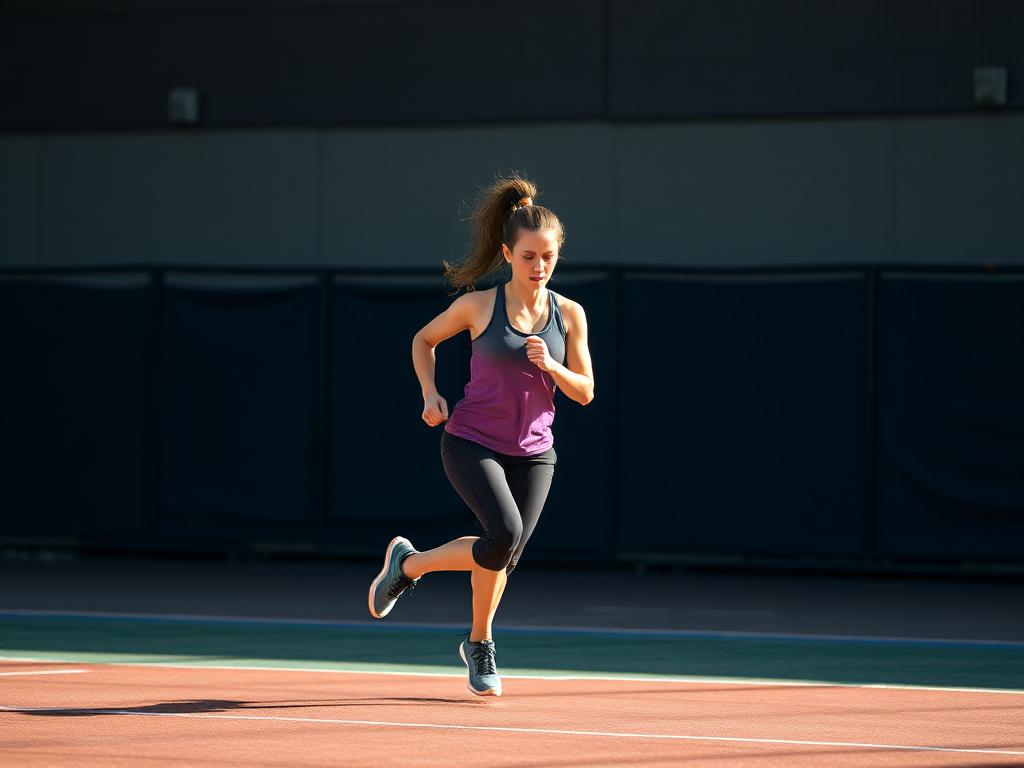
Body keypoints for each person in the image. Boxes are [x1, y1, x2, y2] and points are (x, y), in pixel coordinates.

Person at [367, 173, 595, 696]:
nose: (539, 267)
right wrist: (429, 394)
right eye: (529, 257)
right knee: (505, 536)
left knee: (502, 551)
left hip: (536, 452)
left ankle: (430, 586)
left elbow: (585, 391)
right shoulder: (479, 307)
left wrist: (553, 368)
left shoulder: (570, 315)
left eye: (549, 257)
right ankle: (456, 617)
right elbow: (423, 341)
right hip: (471, 441)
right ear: (507, 254)